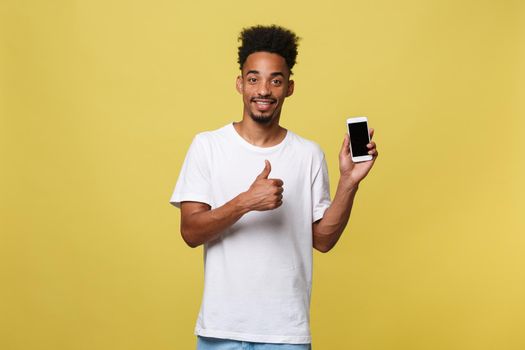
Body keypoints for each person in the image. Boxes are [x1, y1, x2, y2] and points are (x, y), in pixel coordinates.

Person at [169, 24, 378, 350]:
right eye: (254, 79)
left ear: (289, 87)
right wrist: (245, 202)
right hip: (221, 330)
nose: (263, 90)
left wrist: (349, 183)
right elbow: (190, 232)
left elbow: (322, 240)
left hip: (285, 335)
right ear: (240, 83)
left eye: (275, 80)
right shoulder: (207, 146)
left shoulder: (308, 153)